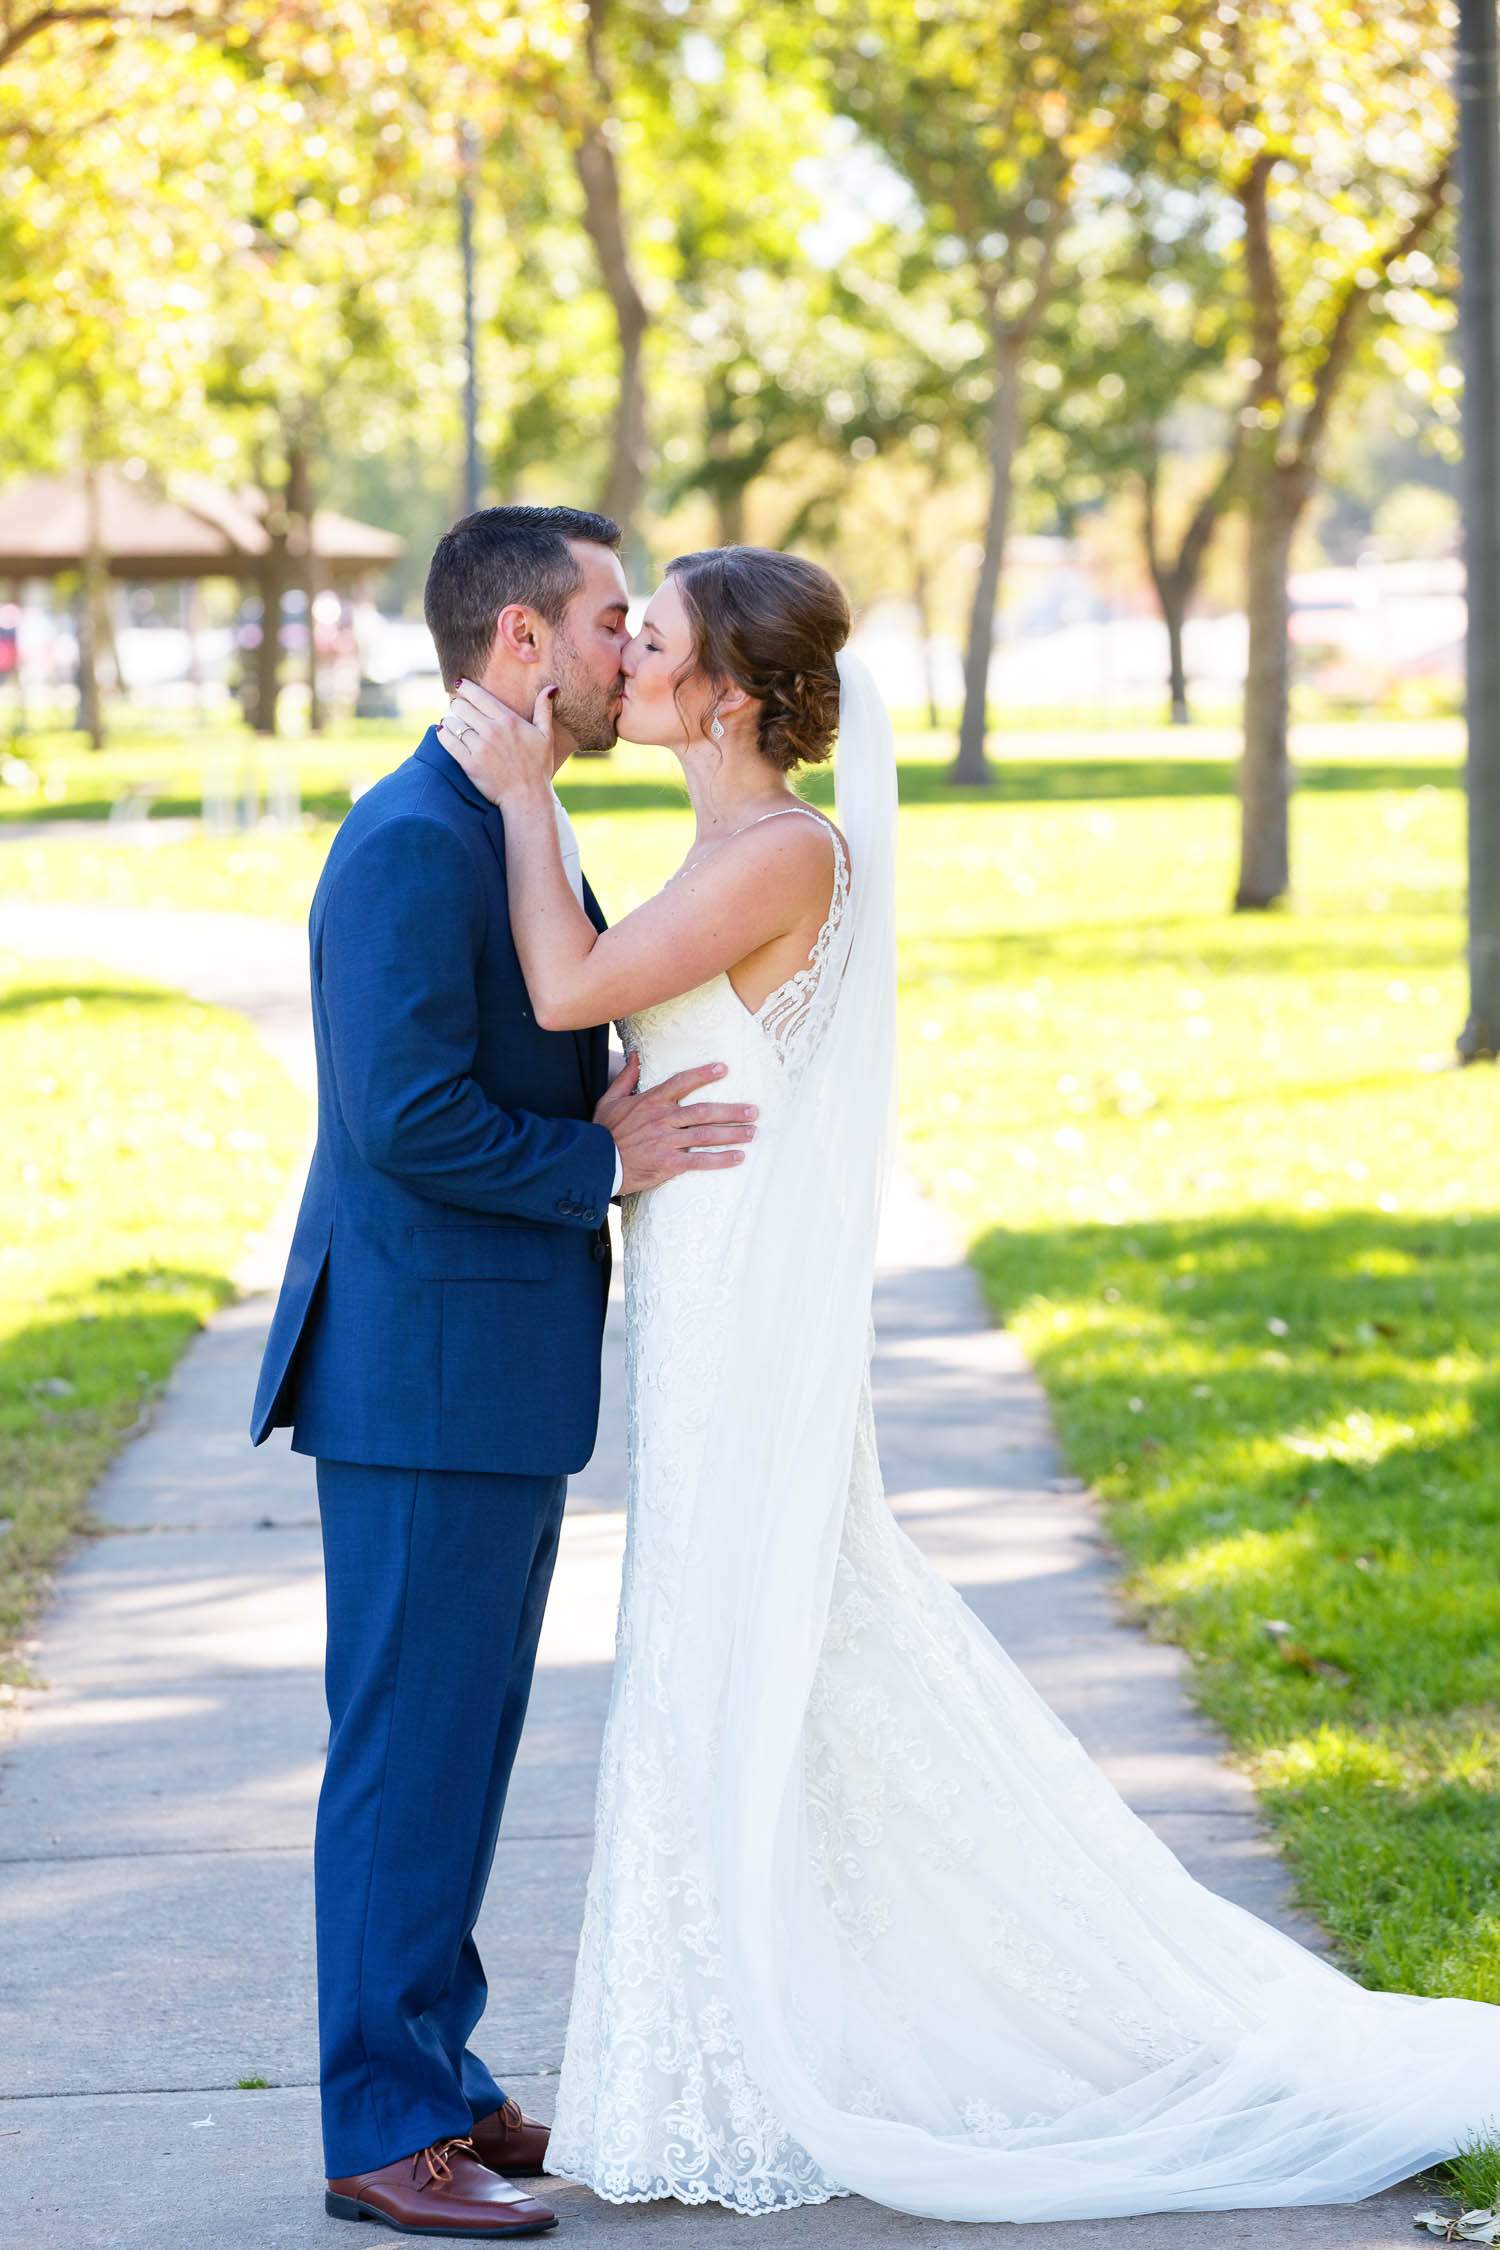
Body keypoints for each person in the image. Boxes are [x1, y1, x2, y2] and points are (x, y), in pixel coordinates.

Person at [439, 541, 1500, 2225]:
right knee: (749, 1634)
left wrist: (513, 801)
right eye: (625, 636)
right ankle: (715, 2032)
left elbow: (574, 988)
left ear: (726, 693)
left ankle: (743, 2046)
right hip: (702, 1276)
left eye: (656, 644)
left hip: (739, 1307)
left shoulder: (785, 848)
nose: (625, 658)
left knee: (748, 1627)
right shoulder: (722, 840)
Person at [250, 505, 758, 2240]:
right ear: (521, 645)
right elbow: (401, 1120)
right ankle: (383, 2125)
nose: (635, 650)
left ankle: (442, 2077)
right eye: (613, 618)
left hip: (485, 1370)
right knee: (407, 1752)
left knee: (460, 1747)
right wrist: (600, 1164)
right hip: (421, 1374)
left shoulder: (500, 816)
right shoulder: (412, 840)